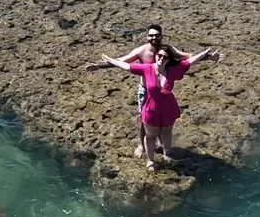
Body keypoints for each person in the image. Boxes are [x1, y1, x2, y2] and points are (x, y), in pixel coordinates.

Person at [85, 25, 222, 158]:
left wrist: (209, 57)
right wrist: (99, 66)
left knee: (163, 122)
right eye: (151, 35)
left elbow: (188, 58)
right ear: (147, 37)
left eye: (156, 35)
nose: (154, 37)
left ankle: (163, 145)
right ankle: (141, 145)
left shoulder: (168, 50)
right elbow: (122, 62)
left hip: (162, 90)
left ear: (161, 36)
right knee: (144, 121)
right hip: (146, 90)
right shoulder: (141, 51)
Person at [102, 44, 221, 171]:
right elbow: (126, 66)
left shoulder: (173, 70)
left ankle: (167, 152)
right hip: (151, 109)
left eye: (165, 57)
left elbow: (190, 61)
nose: (161, 59)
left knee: (167, 132)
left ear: (168, 60)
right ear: (156, 56)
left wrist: (205, 55)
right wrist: (110, 60)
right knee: (150, 136)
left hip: (168, 108)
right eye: (159, 55)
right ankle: (150, 161)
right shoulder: (146, 69)